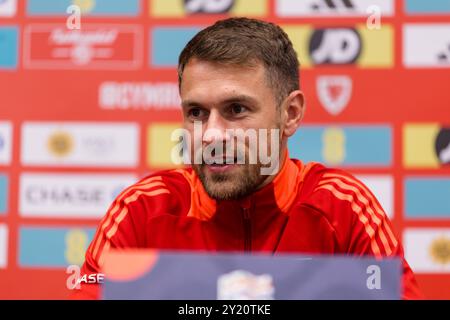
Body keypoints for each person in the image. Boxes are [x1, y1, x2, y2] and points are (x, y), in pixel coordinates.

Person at [73, 17, 422, 299]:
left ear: (291, 114)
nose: (211, 135)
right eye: (196, 112)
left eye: (236, 109)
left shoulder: (342, 207)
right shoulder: (141, 210)